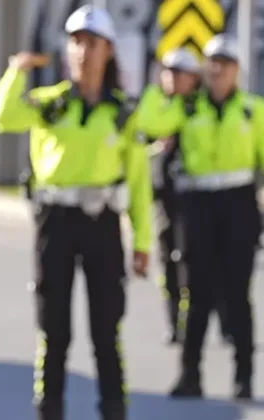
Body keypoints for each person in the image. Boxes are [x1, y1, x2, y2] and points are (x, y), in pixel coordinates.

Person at [0, 6, 152, 420]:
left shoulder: (121, 112)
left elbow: (138, 184)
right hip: (55, 223)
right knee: (54, 329)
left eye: (92, 43)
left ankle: (113, 411)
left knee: (106, 330)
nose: (83, 50)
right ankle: (50, 411)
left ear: (108, 51)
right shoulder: (50, 104)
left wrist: (144, 243)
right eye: (76, 41)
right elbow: (2, 117)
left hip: (103, 225)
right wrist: (17, 71)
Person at [138, 34, 262, 400]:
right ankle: (189, 376)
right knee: (196, 294)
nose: (217, 69)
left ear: (237, 70)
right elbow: (149, 122)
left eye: (224, 63)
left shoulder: (253, 111)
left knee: (238, 296)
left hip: (239, 206)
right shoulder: (187, 108)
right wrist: (165, 89)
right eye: (212, 62)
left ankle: (244, 378)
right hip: (198, 208)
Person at [147, 48, 204, 345]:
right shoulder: (156, 103)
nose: (172, 78)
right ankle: (174, 321)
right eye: (168, 72)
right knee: (168, 259)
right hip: (164, 198)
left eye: (179, 73)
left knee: (196, 261)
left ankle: (201, 320)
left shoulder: (200, 108)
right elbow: (143, 130)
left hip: (197, 200)